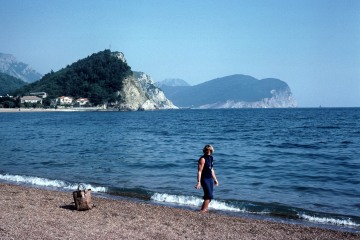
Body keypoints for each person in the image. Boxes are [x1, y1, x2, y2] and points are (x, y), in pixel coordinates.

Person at [195, 144, 219, 212]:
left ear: (211, 150)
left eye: (210, 150)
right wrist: (198, 182)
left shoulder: (211, 158)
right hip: (204, 179)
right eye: (207, 150)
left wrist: (215, 179)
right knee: (209, 195)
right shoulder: (202, 159)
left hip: (210, 179)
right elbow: (199, 171)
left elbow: (211, 170)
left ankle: (203, 209)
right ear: (205, 150)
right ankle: (203, 210)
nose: (208, 151)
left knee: (210, 196)